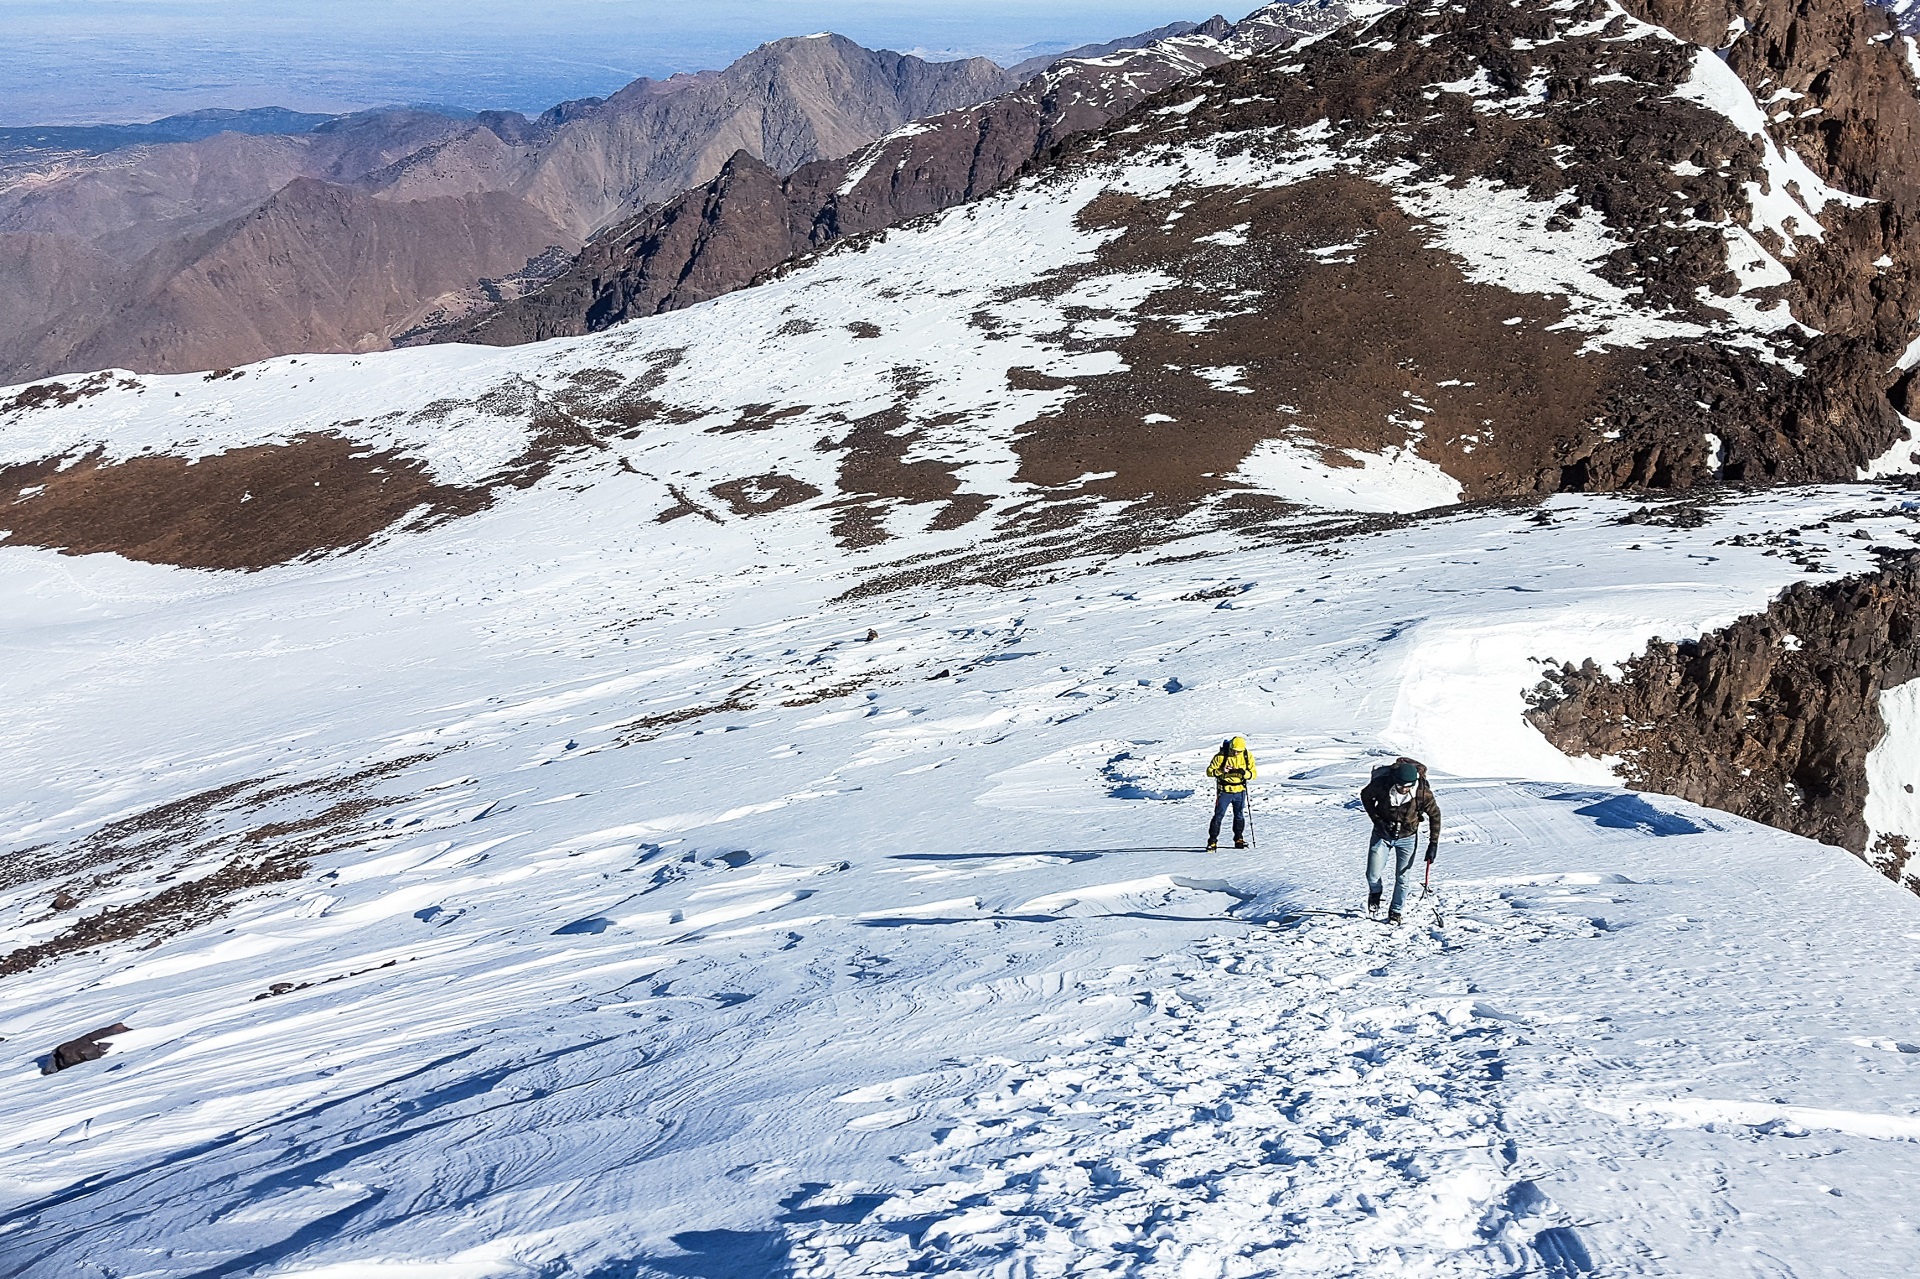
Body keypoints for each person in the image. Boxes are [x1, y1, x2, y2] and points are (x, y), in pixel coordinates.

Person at [1359, 757, 1442, 923]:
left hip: (1408, 837)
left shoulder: (1422, 793)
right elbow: (1365, 796)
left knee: (1403, 877)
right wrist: (1377, 820)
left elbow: (1435, 815)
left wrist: (1433, 844)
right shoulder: (1382, 785)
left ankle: (1395, 912)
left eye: (1409, 786)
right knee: (1372, 875)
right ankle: (1375, 892)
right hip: (1382, 834)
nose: (1405, 789)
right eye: (1402, 786)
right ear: (1395, 781)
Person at [1205, 736, 1257, 850]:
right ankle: (1212, 841)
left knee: (1239, 815)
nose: (1235, 753)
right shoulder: (1220, 757)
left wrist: (1243, 773)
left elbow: (1253, 774)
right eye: (1233, 750)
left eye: (1238, 751)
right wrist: (1221, 770)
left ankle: (1239, 839)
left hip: (1240, 791)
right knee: (1218, 815)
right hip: (1225, 791)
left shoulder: (1247, 756)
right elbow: (1209, 772)